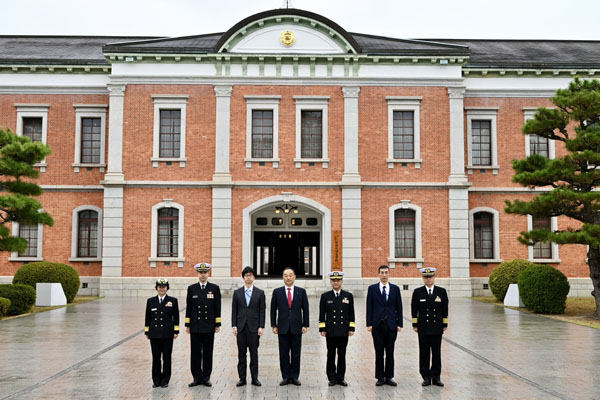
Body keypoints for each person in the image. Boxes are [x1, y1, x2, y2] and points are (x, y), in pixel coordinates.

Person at [270, 267, 309, 386]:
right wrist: (273, 325)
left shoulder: (301, 292)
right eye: (286, 275)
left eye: (290, 275)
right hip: (282, 327)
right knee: (284, 353)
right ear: (283, 278)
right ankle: (286, 376)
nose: (288, 277)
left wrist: (305, 324)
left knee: (296, 353)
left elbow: (305, 309)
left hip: (297, 327)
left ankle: (295, 376)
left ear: (294, 277)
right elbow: (273, 310)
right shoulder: (277, 292)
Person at [366, 264, 403, 386]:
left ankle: (389, 377)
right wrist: (369, 323)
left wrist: (400, 323)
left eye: (386, 272)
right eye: (382, 272)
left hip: (391, 325)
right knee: (379, 352)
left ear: (389, 274)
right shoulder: (372, 289)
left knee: (390, 352)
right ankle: (380, 377)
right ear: (378, 274)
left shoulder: (395, 289)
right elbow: (369, 307)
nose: (384, 275)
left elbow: (399, 307)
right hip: (377, 325)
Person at [186, 263, 221, 387]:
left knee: (207, 352)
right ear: (197, 274)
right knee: (195, 353)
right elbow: (189, 307)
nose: (203, 275)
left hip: (208, 325)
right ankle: (196, 377)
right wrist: (187, 324)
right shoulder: (192, 289)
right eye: (201, 272)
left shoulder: (214, 288)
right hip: (195, 325)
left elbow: (217, 307)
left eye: (205, 272)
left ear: (208, 273)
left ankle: (206, 377)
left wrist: (217, 323)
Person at [411, 267, 448, 387]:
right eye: (426, 277)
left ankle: (436, 376)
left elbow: (445, 309)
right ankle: (426, 376)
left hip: (437, 327)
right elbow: (414, 309)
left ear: (434, 277)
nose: (429, 279)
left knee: (436, 353)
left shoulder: (441, 291)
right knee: (424, 353)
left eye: (431, 277)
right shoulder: (418, 292)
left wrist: (444, 324)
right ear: (423, 278)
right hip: (423, 327)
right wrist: (415, 324)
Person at [318, 271, 355, 386]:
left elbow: (351, 313)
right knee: (331, 355)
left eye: (338, 280)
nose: (336, 282)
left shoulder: (348, 296)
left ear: (341, 281)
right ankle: (331, 378)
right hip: (331, 330)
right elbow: (321, 314)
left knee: (342, 355)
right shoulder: (325, 296)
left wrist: (351, 328)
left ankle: (341, 377)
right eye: (334, 280)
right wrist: (322, 329)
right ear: (330, 282)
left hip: (343, 330)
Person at [232, 266, 266, 387]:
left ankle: (255, 378)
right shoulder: (237, 293)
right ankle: (242, 378)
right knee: (241, 355)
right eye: (246, 275)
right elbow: (234, 311)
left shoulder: (260, 293)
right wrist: (234, 326)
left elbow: (262, 311)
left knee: (254, 354)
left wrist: (261, 326)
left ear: (254, 277)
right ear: (243, 278)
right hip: (240, 328)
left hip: (254, 328)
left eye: (250, 275)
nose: (248, 277)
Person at [145, 278, 179, 388]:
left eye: (164, 287)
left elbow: (176, 317)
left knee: (167, 358)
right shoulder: (151, 301)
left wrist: (176, 330)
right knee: (156, 358)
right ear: (156, 288)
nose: (162, 289)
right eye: (160, 287)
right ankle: (156, 380)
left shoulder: (172, 301)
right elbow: (148, 317)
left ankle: (165, 380)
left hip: (167, 333)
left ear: (167, 288)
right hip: (154, 333)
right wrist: (147, 331)